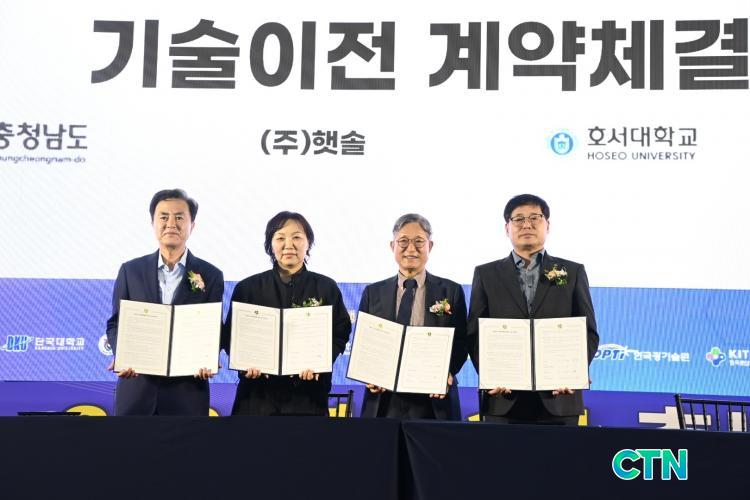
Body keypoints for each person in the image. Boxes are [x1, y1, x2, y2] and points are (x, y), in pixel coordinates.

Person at [468, 194, 599, 425]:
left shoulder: (573, 271)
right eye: (518, 219)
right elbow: (474, 334)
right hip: (502, 398)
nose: (526, 224)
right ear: (507, 228)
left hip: (559, 397)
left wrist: (573, 373)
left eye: (534, 218)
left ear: (547, 225)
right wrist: (490, 375)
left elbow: (588, 332)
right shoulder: (486, 274)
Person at [106, 189, 224, 416]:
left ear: (192, 225)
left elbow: (214, 328)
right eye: (164, 217)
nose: (171, 223)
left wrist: (208, 356)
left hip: (187, 392)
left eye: (179, 217)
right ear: (153, 223)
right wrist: (122, 354)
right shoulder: (131, 271)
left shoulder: (211, 275)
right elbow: (115, 323)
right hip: (137, 390)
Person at [222, 211, 351, 416]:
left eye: (297, 237)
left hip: (308, 399)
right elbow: (230, 336)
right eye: (280, 238)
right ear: (270, 244)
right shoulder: (248, 288)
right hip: (256, 398)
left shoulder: (326, 288)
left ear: (308, 243)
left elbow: (340, 332)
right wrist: (245, 363)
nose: (288, 245)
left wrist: (320, 362)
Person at [359, 214, 468, 420]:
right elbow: (364, 343)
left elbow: (462, 342)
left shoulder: (451, 291)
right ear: (392, 246)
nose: (411, 249)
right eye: (403, 241)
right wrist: (368, 374)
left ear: (430, 246)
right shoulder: (373, 293)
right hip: (383, 401)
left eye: (419, 241)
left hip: (434, 400)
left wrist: (446, 372)